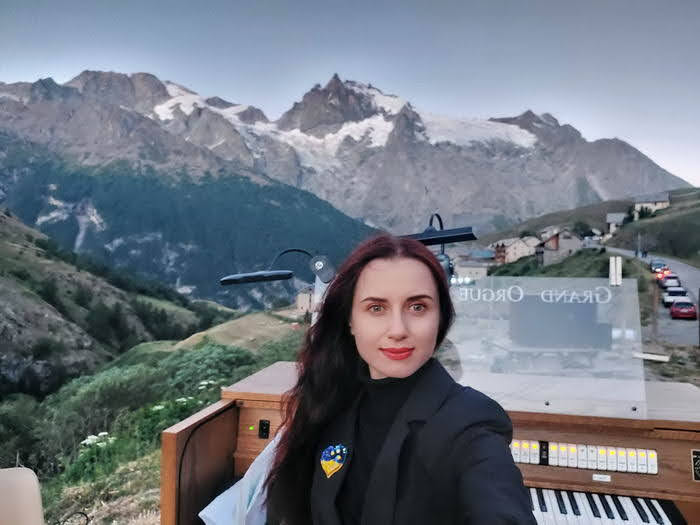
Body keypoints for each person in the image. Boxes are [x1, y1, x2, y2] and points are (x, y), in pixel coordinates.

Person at [263, 234, 535, 525]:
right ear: (350, 321)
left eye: (417, 307)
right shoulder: (331, 398)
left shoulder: (471, 422)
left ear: (440, 318)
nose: (398, 330)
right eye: (376, 308)